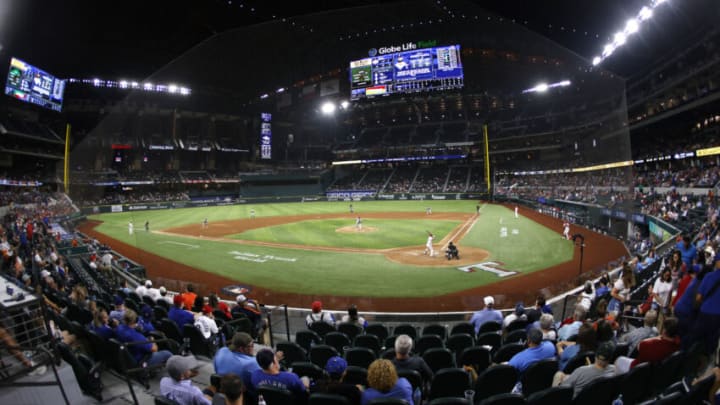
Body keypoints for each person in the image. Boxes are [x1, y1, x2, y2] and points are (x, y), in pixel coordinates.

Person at [614, 317, 681, 374]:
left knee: (619, 360)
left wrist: (657, 338)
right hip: (655, 374)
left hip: (637, 371)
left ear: (664, 331)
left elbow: (639, 345)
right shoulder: (678, 346)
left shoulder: (648, 345)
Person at [214, 332, 260, 400]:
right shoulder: (251, 363)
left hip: (223, 392)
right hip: (245, 398)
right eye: (251, 345)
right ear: (241, 349)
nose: (253, 347)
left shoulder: (221, 351)